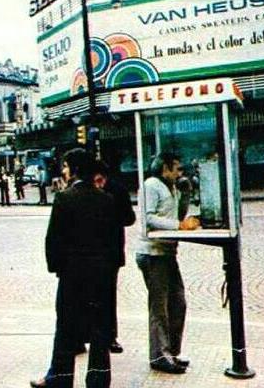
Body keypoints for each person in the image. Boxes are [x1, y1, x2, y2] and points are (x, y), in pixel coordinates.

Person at [31, 148, 116, 388]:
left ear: (75, 169)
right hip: (100, 274)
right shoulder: (106, 199)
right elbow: (113, 240)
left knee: (67, 327)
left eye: (66, 166)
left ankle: (60, 378)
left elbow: (53, 240)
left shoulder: (64, 198)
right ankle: (98, 379)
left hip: (73, 274)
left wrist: (57, 267)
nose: (64, 171)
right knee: (100, 329)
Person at [135, 153, 200, 374]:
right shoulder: (151, 186)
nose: (180, 173)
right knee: (159, 308)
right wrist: (179, 226)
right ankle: (159, 356)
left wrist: (186, 193)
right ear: (165, 168)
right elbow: (149, 218)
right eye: (177, 169)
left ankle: (171, 351)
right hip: (153, 253)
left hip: (167, 252)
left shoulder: (170, 187)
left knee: (177, 302)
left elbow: (178, 216)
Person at [93, 160, 136, 354]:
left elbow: (129, 218)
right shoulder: (87, 190)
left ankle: (110, 336)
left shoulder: (117, 190)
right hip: (94, 251)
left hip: (109, 250)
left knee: (108, 295)